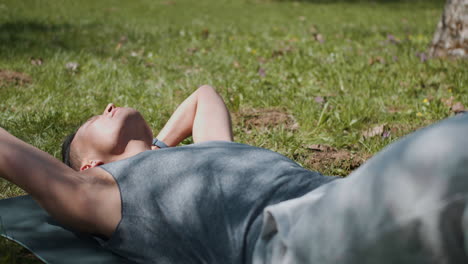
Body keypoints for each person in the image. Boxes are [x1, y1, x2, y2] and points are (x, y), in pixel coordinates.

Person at [0, 85, 467, 264]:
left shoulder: (203, 154)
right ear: (89, 166)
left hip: (341, 201)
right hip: (295, 239)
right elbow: (15, 156)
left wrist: (157, 151)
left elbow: (204, 95)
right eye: (93, 122)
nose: (106, 106)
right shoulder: (101, 193)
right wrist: (133, 165)